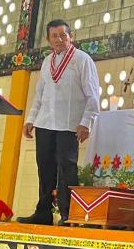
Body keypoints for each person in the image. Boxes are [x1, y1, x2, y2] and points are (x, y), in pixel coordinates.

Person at [17, 19, 100, 225]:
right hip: (45, 123)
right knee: (44, 168)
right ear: (48, 39)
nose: (59, 39)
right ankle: (43, 212)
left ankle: (68, 214)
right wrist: (31, 119)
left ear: (71, 37)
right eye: (55, 36)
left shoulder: (82, 59)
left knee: (67, 169)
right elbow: (39, 95)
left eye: (63, 35)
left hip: (69, 125)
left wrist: (86, 122)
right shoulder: (47, 62)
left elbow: (93, 95)